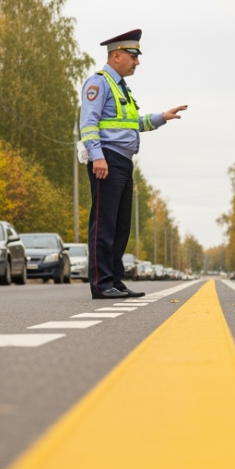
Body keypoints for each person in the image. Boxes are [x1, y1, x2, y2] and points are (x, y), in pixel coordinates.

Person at [81, 29, 187, 299]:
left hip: (123, 161)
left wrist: (162, 116)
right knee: (104, 225)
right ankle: (101, 284)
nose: (137, 62)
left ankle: (115, 281)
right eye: (133, 56)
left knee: (120, 226)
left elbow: (132, 124)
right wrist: (98, 157)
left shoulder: (121, 87)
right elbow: (89, 124)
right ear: (116, 56)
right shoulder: (99, 83)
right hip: (106, 158)